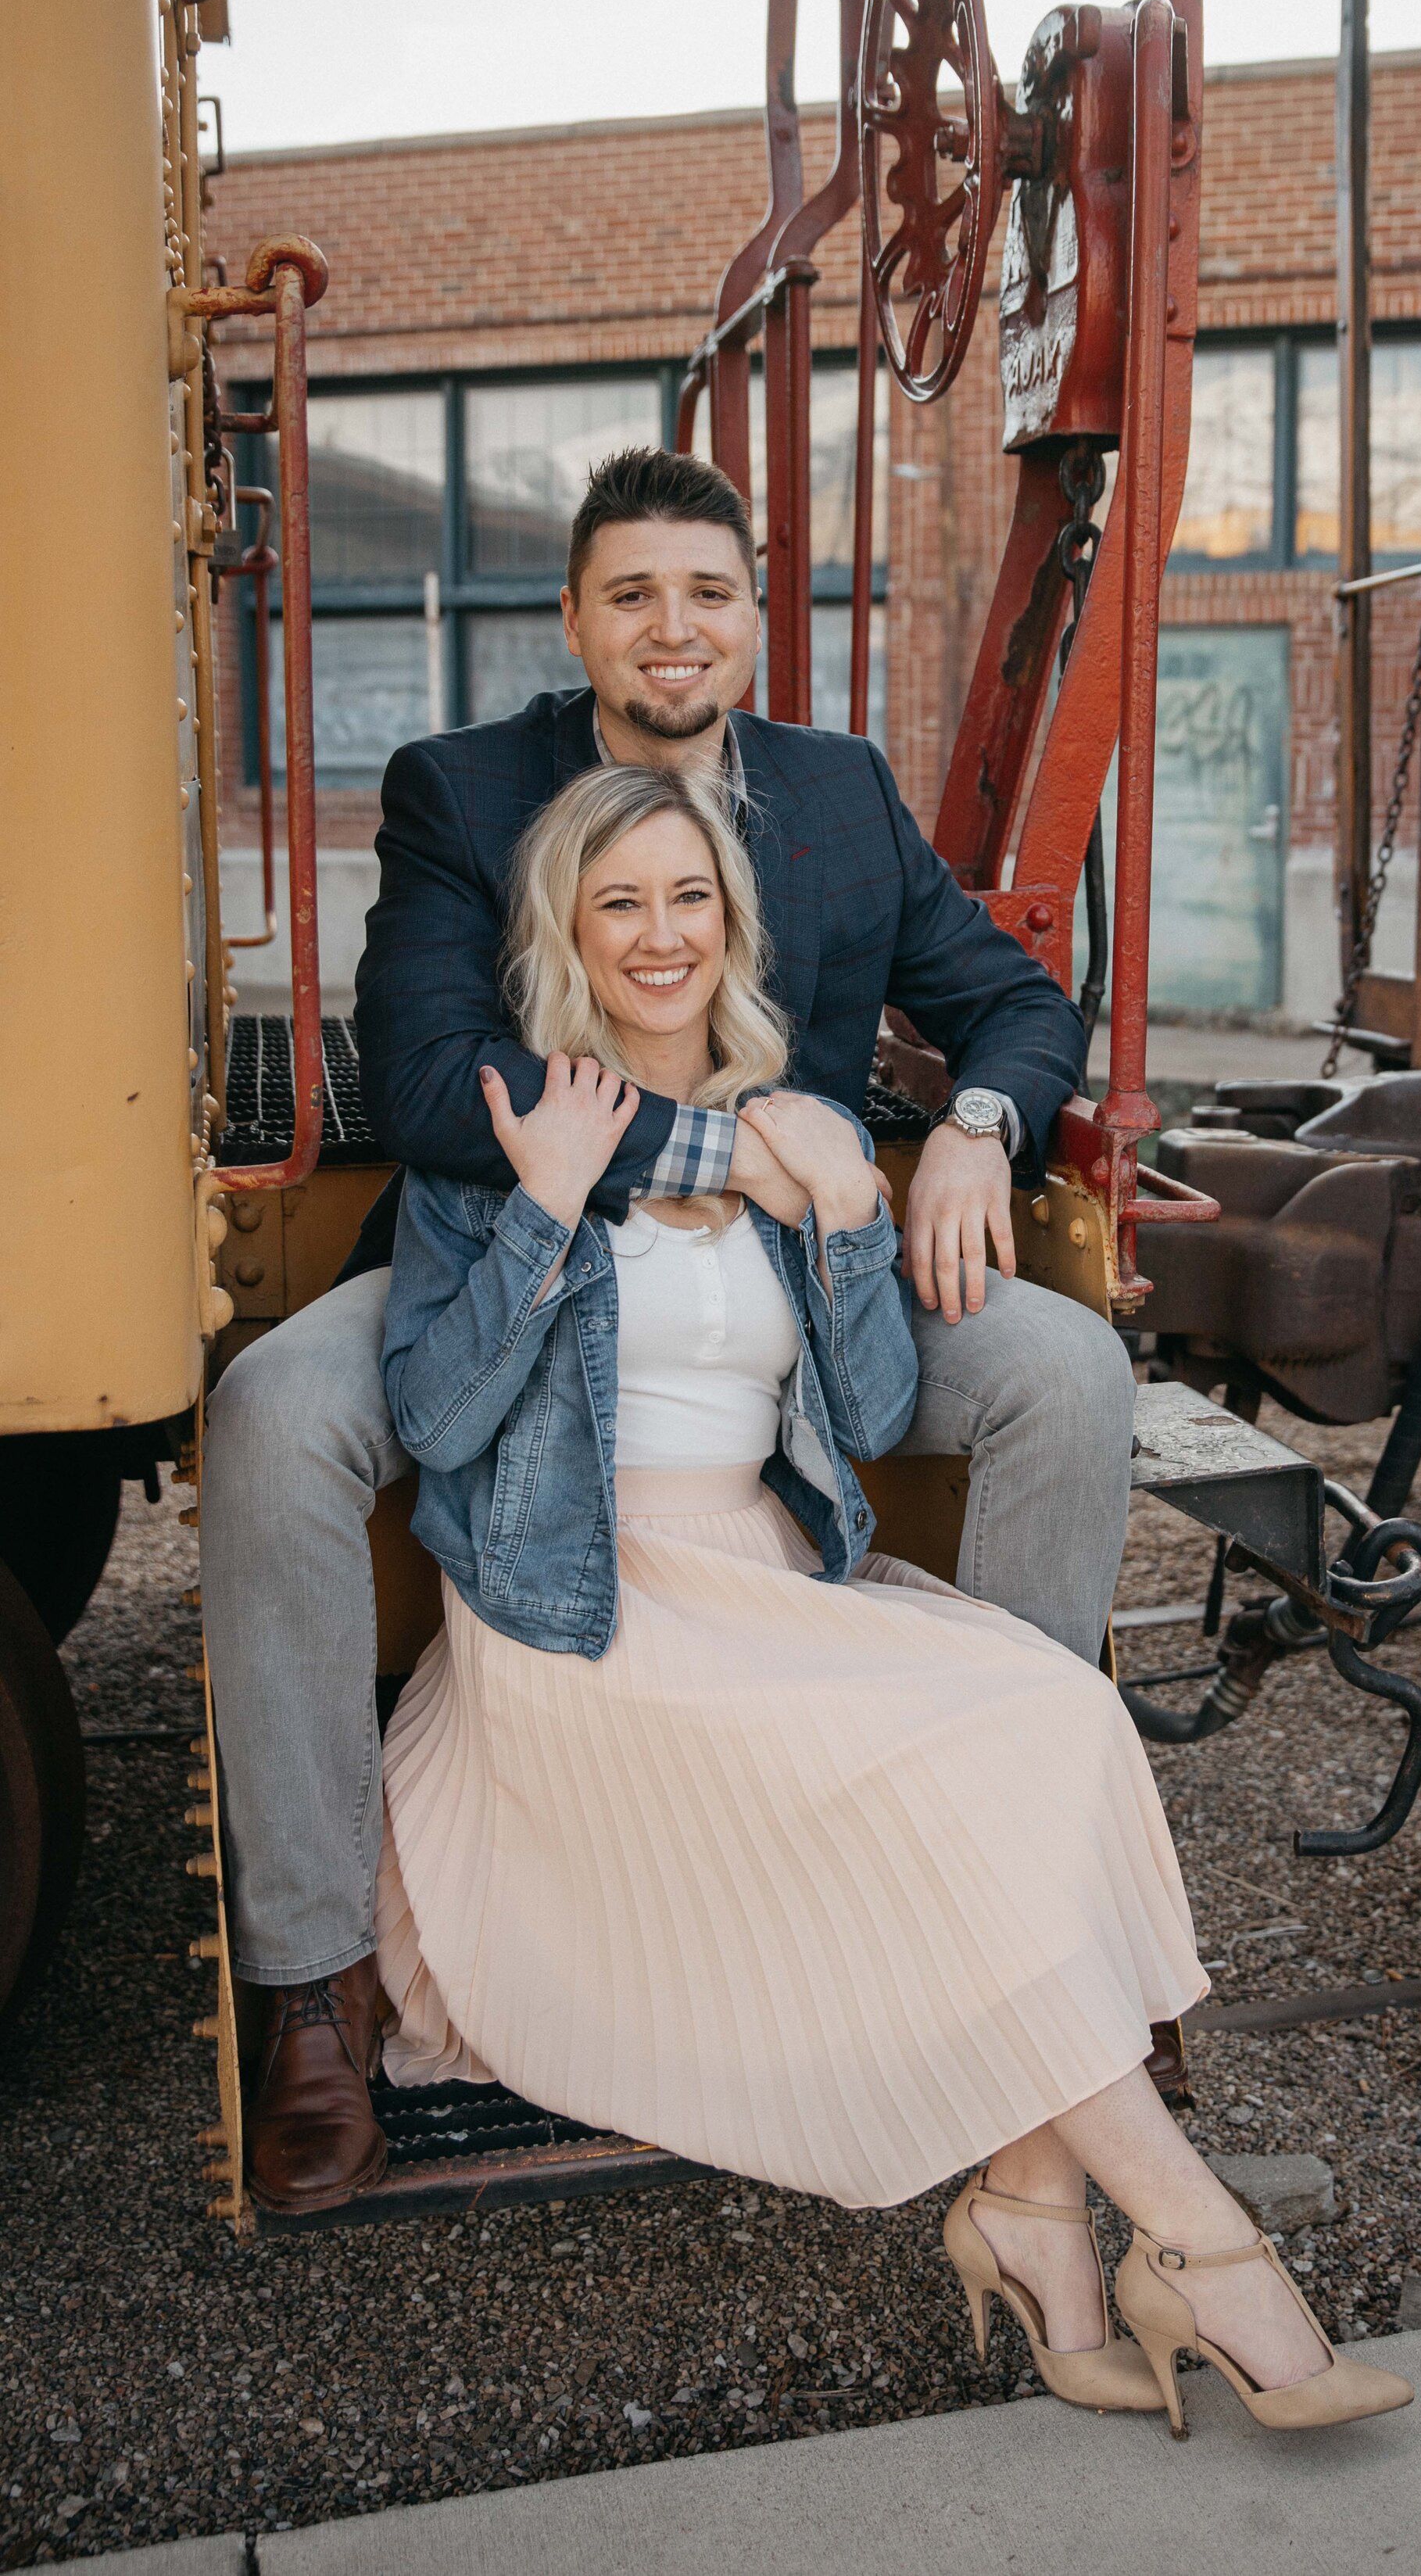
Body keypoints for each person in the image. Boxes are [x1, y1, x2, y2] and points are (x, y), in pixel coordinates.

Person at [371, 756, 1412, 2439]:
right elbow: (436, 1418)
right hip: (581, 1608)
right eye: (619, 902)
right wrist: (550, 1205)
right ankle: (1203, 2249)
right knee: (943, 1779)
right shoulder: (513, 1130)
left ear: (732, 922)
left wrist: (852, 1211)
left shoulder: (795, 1124)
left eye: (689, 897)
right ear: (567, 929)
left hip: (760, 1575)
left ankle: (1041, 2220)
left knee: (1058, 1716)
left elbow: (863, 1409)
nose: (659, 935)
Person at [202, 447, 1137, 2219]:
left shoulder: (837, 792)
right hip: (516, 1259)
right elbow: (429, 1080)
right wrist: (732, 1149)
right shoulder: (463, 789)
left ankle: (1008, 1900)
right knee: (276, 1411)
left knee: (1065, 1372)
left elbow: (1017, 1004)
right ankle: (314, 1986)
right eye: (631, 593)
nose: (672, 626)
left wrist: (972, 1126)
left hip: (775, 1286)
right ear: (574, 619)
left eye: (707, 592)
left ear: (754, 617)